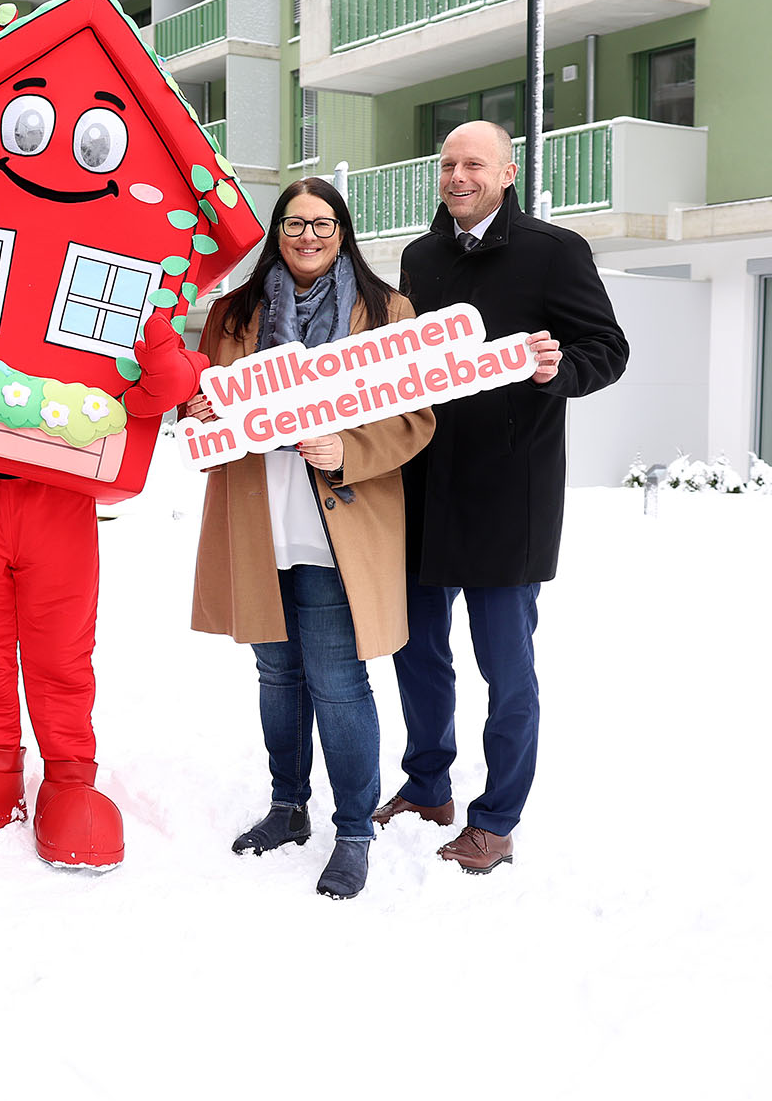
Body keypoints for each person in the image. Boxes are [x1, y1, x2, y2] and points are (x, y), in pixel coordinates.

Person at [378, 120, 629, 872]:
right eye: (448, 163)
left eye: (474, 164)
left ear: (508, 172)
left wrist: (559, 371)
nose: (458, 175)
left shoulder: (555, 251)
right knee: (417, 653)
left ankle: (495, 820)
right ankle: (428, 786)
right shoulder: (418, 257)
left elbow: (606, 349)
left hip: (506, 495)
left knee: (506, 669)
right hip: (422, 489)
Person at [186, 178, 434, 900]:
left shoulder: (388, 312)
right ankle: (288, 805)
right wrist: (200, 406)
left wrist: (346, 450)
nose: (308, 236)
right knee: (275, 675)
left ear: (343, 229)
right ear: (277, 230)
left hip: (338, 525)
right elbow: (202, 400)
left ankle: (354, 828)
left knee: (337, 679)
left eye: (322, 222)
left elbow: (415, 419)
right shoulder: (235, 313)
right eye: (294, 223)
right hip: (257, 519)